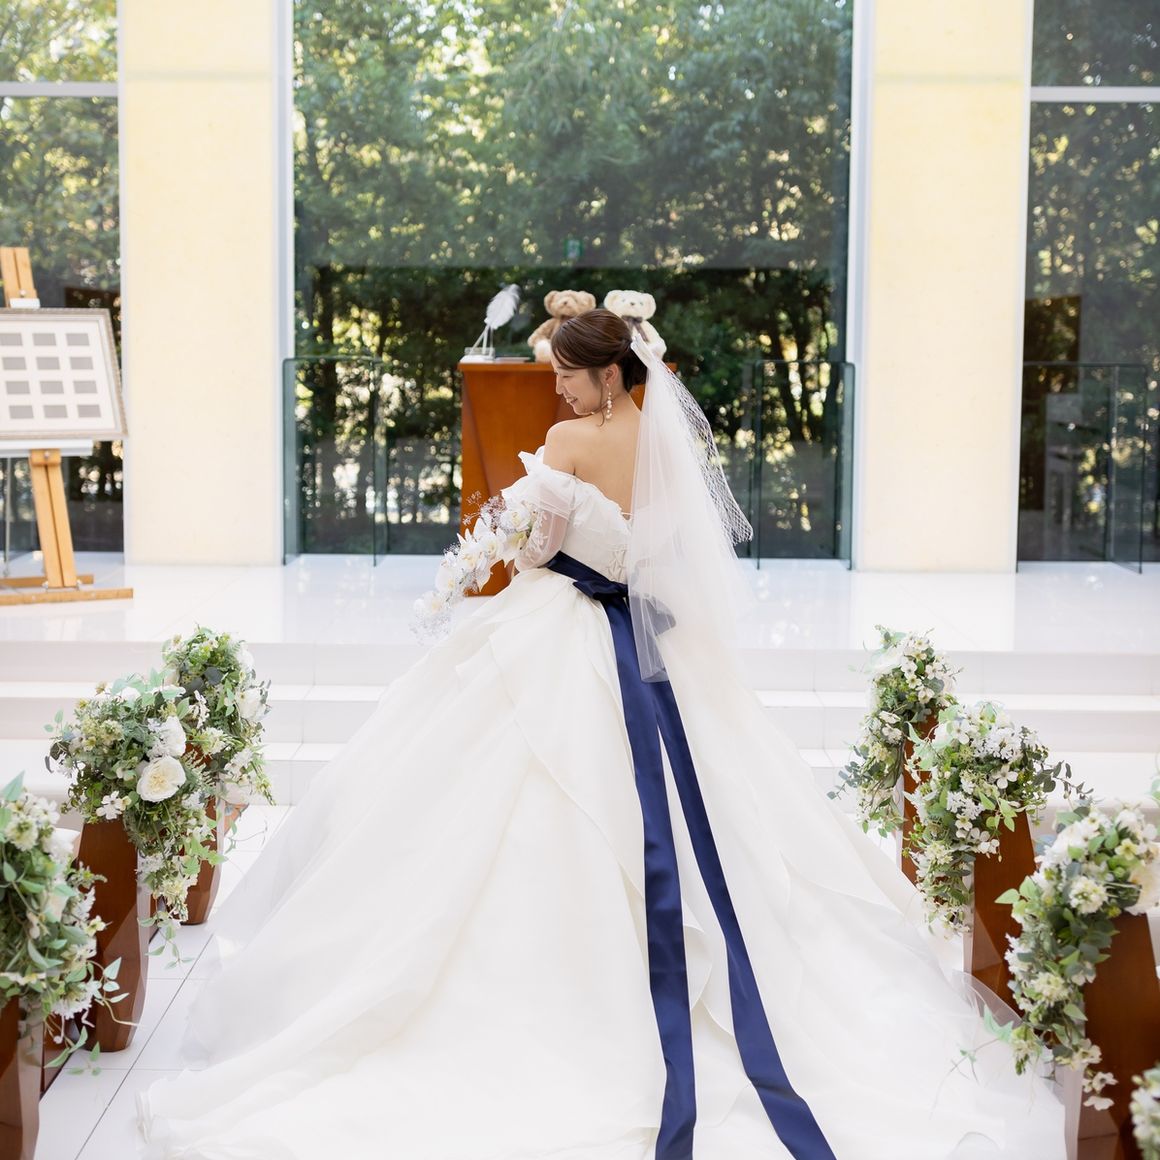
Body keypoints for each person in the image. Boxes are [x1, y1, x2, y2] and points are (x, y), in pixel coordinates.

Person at [138, 310, 1064, 1159]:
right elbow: (665, 553)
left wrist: (507, 545)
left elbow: (541, 550)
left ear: (608, 374)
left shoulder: (567, 444)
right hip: (653, 640)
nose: (557, 390)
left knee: (504, 783)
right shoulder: (661, 443)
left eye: (567, 376)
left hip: (566, 630)